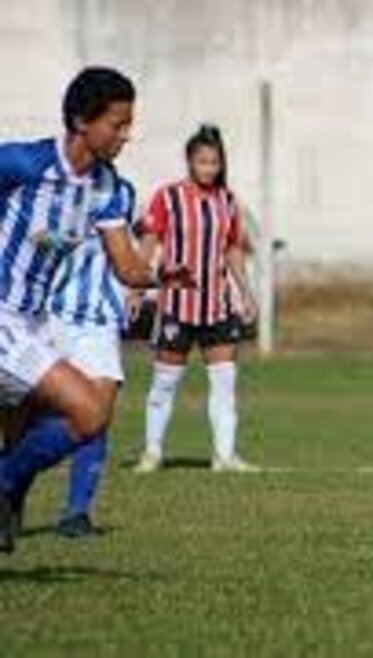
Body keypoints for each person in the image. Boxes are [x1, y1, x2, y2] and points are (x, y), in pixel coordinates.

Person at [0, 67, 191, 553]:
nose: (126, 135)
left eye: (129, 124)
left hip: (34, 323)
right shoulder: (24, 164)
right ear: (83, 121)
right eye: (117, 124)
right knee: (84, 411)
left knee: (86, 417)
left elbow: (126, 266)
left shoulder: (107, 187)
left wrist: (164, 276)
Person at [132, 124, 259, 474]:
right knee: (164, 382)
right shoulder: (168, 197)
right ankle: (153, 452)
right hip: (177, 305)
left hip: (217, 306)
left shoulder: (227, 201)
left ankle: (225, 455)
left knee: (224, 383)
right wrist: (137, 287)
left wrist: (245, 293)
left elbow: (232, 249)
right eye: (202, 161)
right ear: (190, 161)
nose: (208, 168)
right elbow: (149, 243)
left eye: (214, 162)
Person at [46, 178, 138, 537]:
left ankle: (77, 513)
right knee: (27, 416)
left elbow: (123, 255)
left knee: (97, 414)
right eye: (116, 126)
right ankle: (11, 498)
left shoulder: (121, 191)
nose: (124, 137)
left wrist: (138, 285)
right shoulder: (46, 188)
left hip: (98, 320)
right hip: (47, 316)